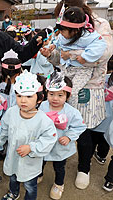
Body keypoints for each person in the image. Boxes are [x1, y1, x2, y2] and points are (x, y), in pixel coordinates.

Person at [41, 0, 113, 189]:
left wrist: (71, 55)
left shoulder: (99, 26)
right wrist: (50, 54)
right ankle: (55, 161)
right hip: (66, 84)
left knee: (84, 131)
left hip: (89, 86)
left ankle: (84, 168)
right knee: (62, 126)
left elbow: (103, 54)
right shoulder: (65, 30)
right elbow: (60, 57)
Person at [0, 70, 57, 200]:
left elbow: (49, 139)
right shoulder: (12, 112)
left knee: (30, 185)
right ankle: (14, 193)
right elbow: (4, 128)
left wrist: (31, 147)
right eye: (19, 96)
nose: (23, 100)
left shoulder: (44, 121)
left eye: (29, 96)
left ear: (40, 98)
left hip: (30, 163)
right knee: (13, 178)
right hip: (13, 156)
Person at [39, 71, 86, 199]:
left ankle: (59, 184)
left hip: (60, 146)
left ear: (68, 96)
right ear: (46, 93)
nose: (55, 98)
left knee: (59, 167)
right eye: (51, 94)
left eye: (60, 95)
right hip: (43, 143)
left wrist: (69, 136)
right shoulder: (42, 107)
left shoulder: (72, 112)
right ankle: (39, 174)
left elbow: (80, 126)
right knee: (40, 161)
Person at [50, 7, 107, 105]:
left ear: (75, 31)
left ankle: (71, 111)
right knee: (61, 89)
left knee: (72, 92)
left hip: (82, 70)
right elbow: (59, 40)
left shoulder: (89, 36)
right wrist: (53, 44)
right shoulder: (63, 36)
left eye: (63, 31)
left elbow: (100, 45)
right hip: (66, 68)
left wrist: (85, 56)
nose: (61, 34)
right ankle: (60, 109)